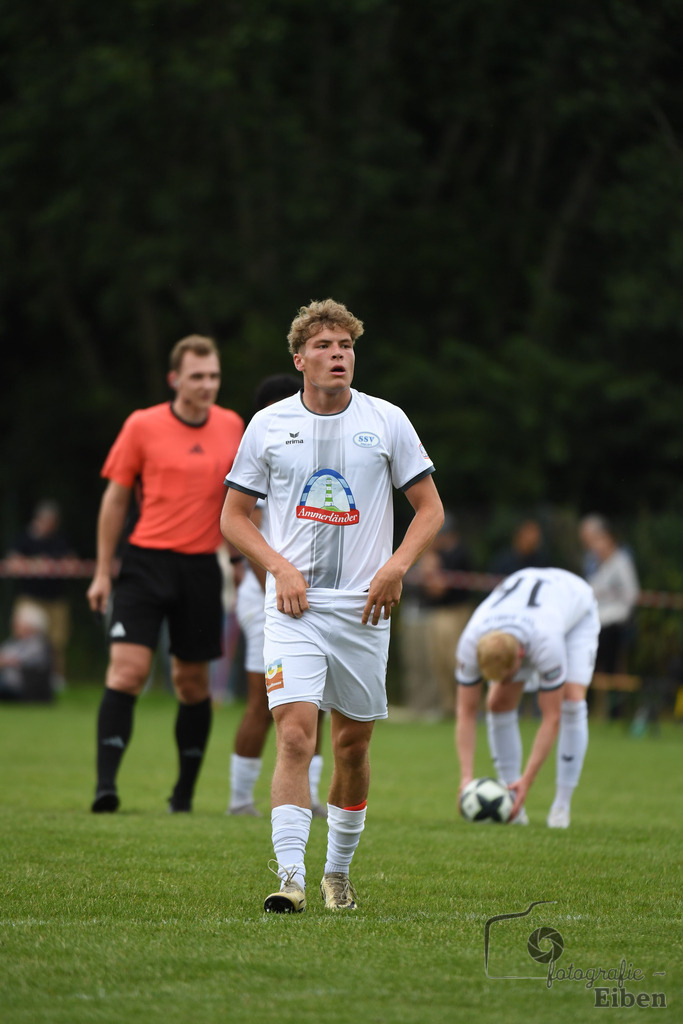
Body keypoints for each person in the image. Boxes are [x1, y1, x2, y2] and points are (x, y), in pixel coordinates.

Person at [221, 299, 444, 913]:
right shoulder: (267, 425)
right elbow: (233, 518)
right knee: (295, 736)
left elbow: (430, 509)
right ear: (300, 359)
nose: (338, 354)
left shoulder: (387, 421)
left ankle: (336, 875)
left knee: (351, 747)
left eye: (345, 345)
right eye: (323, 345)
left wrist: (397, 567)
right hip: (293, 607)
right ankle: (290, 878)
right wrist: (279, 568)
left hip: (364, 611)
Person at [87, 335, 244, 813]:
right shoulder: (142, 425)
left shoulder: (233, 426)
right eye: (197, 376)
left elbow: (243, 501)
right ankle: (105, 789)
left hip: (200, 568)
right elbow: (115, 499)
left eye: (214, 376)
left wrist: (239, 562)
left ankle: (183, 796)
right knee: (128, 672)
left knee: (192, 684)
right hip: (144, 564)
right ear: (175, 379)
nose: (207, 385)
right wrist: (101, 573)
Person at [228, 374, 327, 819]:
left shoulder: (315, 450)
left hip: (313, 595)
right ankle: (240, 800)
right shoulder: (261, 447)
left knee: (317, 703)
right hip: (266, 593)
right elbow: (241, 527)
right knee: (261, 699)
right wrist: (277, 584)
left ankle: (313, 795)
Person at [455, 567, 600, 829]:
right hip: (528, 608)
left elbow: (551, 718)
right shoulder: (470, 641)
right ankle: (512, 804)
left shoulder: (546, 644)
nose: (502, 682)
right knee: (497, 701)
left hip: (575, 606)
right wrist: (465, 777)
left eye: (507, 676)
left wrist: (528, 781)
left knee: (572, 699)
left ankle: (561, 807)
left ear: (521, 656)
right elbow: (465, 711)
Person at [404, 512, 475, 718]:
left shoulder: (459, 554)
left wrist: (430, 563)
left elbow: (438, 589)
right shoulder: (441, 553)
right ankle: (449, 707)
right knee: (439, 663)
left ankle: (467, 706)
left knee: (456, 661)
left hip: (455, 613)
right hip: (438, 613)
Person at [6, 500, 74, 683]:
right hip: (30, 597)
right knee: (23, 636)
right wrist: (34, 565)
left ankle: (55, 678)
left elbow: (71, 562)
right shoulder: (25, 538)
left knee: (57, 641)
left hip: (55, 598)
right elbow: (13, 561)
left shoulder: (58, 539)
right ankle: (18, 675)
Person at [579, 514, 640, 718]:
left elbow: (632, 594)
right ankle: (582, 709)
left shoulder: (621, 561)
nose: (596, 546)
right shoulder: (594, 563)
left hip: (614, 624)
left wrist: (616, 616)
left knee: (613, 670)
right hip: (595, 622)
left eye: (599, 541)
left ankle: (615, 714)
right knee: (588, 666)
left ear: (609, 540)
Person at [0, 600, 56, 703]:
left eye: (18, 622)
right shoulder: (13, 641)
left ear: (30, 625)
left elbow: (16, 660)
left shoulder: (37, 644)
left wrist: (5, 661)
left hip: (21, 684)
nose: (14, 625)